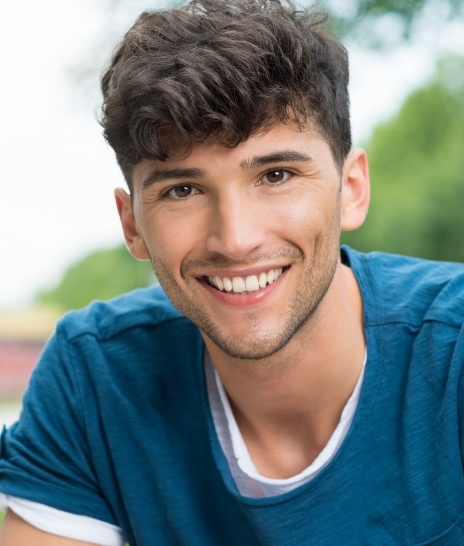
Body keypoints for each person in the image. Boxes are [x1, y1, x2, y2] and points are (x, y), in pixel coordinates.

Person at [1, 0, 463, 543]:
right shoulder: (95, 378)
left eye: (276, 175)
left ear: (351, 190)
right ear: (132, 226)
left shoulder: (451, 354)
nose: (236, 239)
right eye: (183, 190)